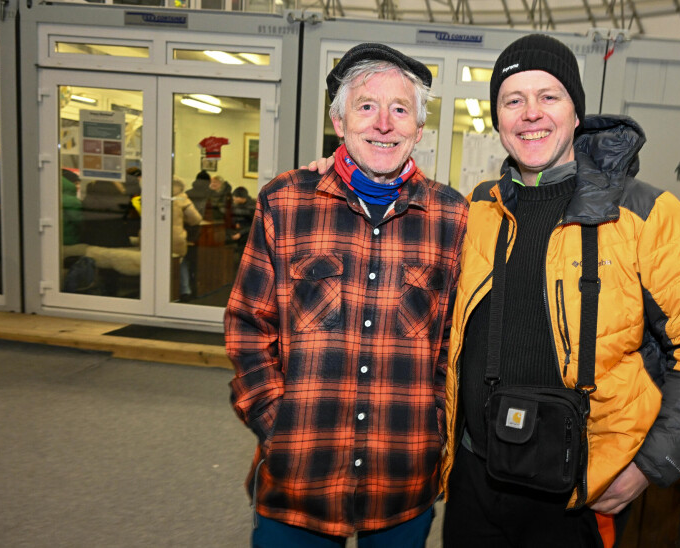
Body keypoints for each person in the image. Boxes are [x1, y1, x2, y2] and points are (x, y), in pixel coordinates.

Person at [439, 34, 680, 547]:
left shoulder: (646, 213)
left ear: (576, 113)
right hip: (476, 477)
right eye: (513, 100)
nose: (531, 113)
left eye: (549, 96)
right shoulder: (480, 209)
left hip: (579, 492)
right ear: (498, 120)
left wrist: (649, 465)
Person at [225, 42, 469, 547]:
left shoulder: (453, 218)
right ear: (340, 123)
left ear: (418, 131)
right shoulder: (286, 201)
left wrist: (435, 433)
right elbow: (249, 326)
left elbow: (454, 344)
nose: (384, 123)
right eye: (366, 107)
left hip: (402, 483)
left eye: (400, 109)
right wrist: (278, 427)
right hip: (297, 483)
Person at [170, 175, 202, 302]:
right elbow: (195, 219)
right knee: (181, 262)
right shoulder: (182, 198)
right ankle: (185, 290)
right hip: (175, 238)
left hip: (151, 237)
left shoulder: (152, 192)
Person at [226, 186, 254, 258]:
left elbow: (253, 225)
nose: (233, 198)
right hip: (237, 230)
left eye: (235, 196)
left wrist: (240, 234)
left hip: (247, 234)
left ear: (242, 197)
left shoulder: (252, 207)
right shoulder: (237, 205)